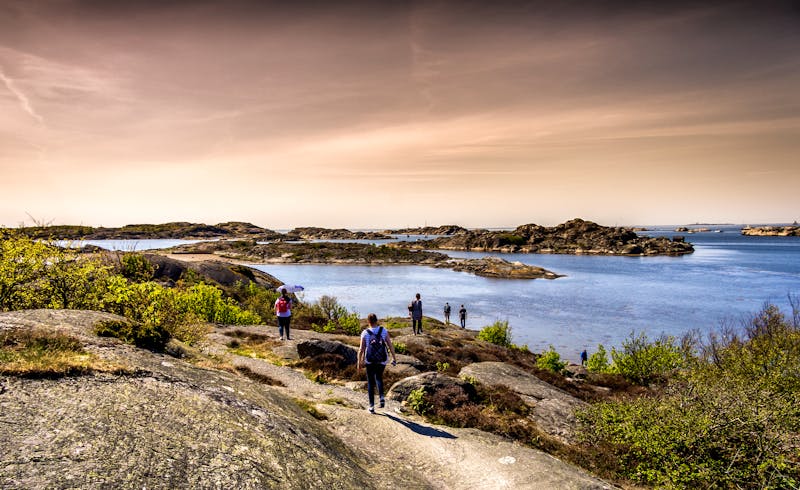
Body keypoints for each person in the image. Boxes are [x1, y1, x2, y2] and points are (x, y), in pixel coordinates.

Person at [358, 313, 397, 413]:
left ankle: (371, 406)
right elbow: (390, 345)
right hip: (382, 360)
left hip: (369, 361)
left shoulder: (365, 333)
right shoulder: (383, 331)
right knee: (379, 377)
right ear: (377, 320)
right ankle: (381, 397)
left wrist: (359, 362)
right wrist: (394, 358)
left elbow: (361, 349)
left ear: (368, 321)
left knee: (371, 382)